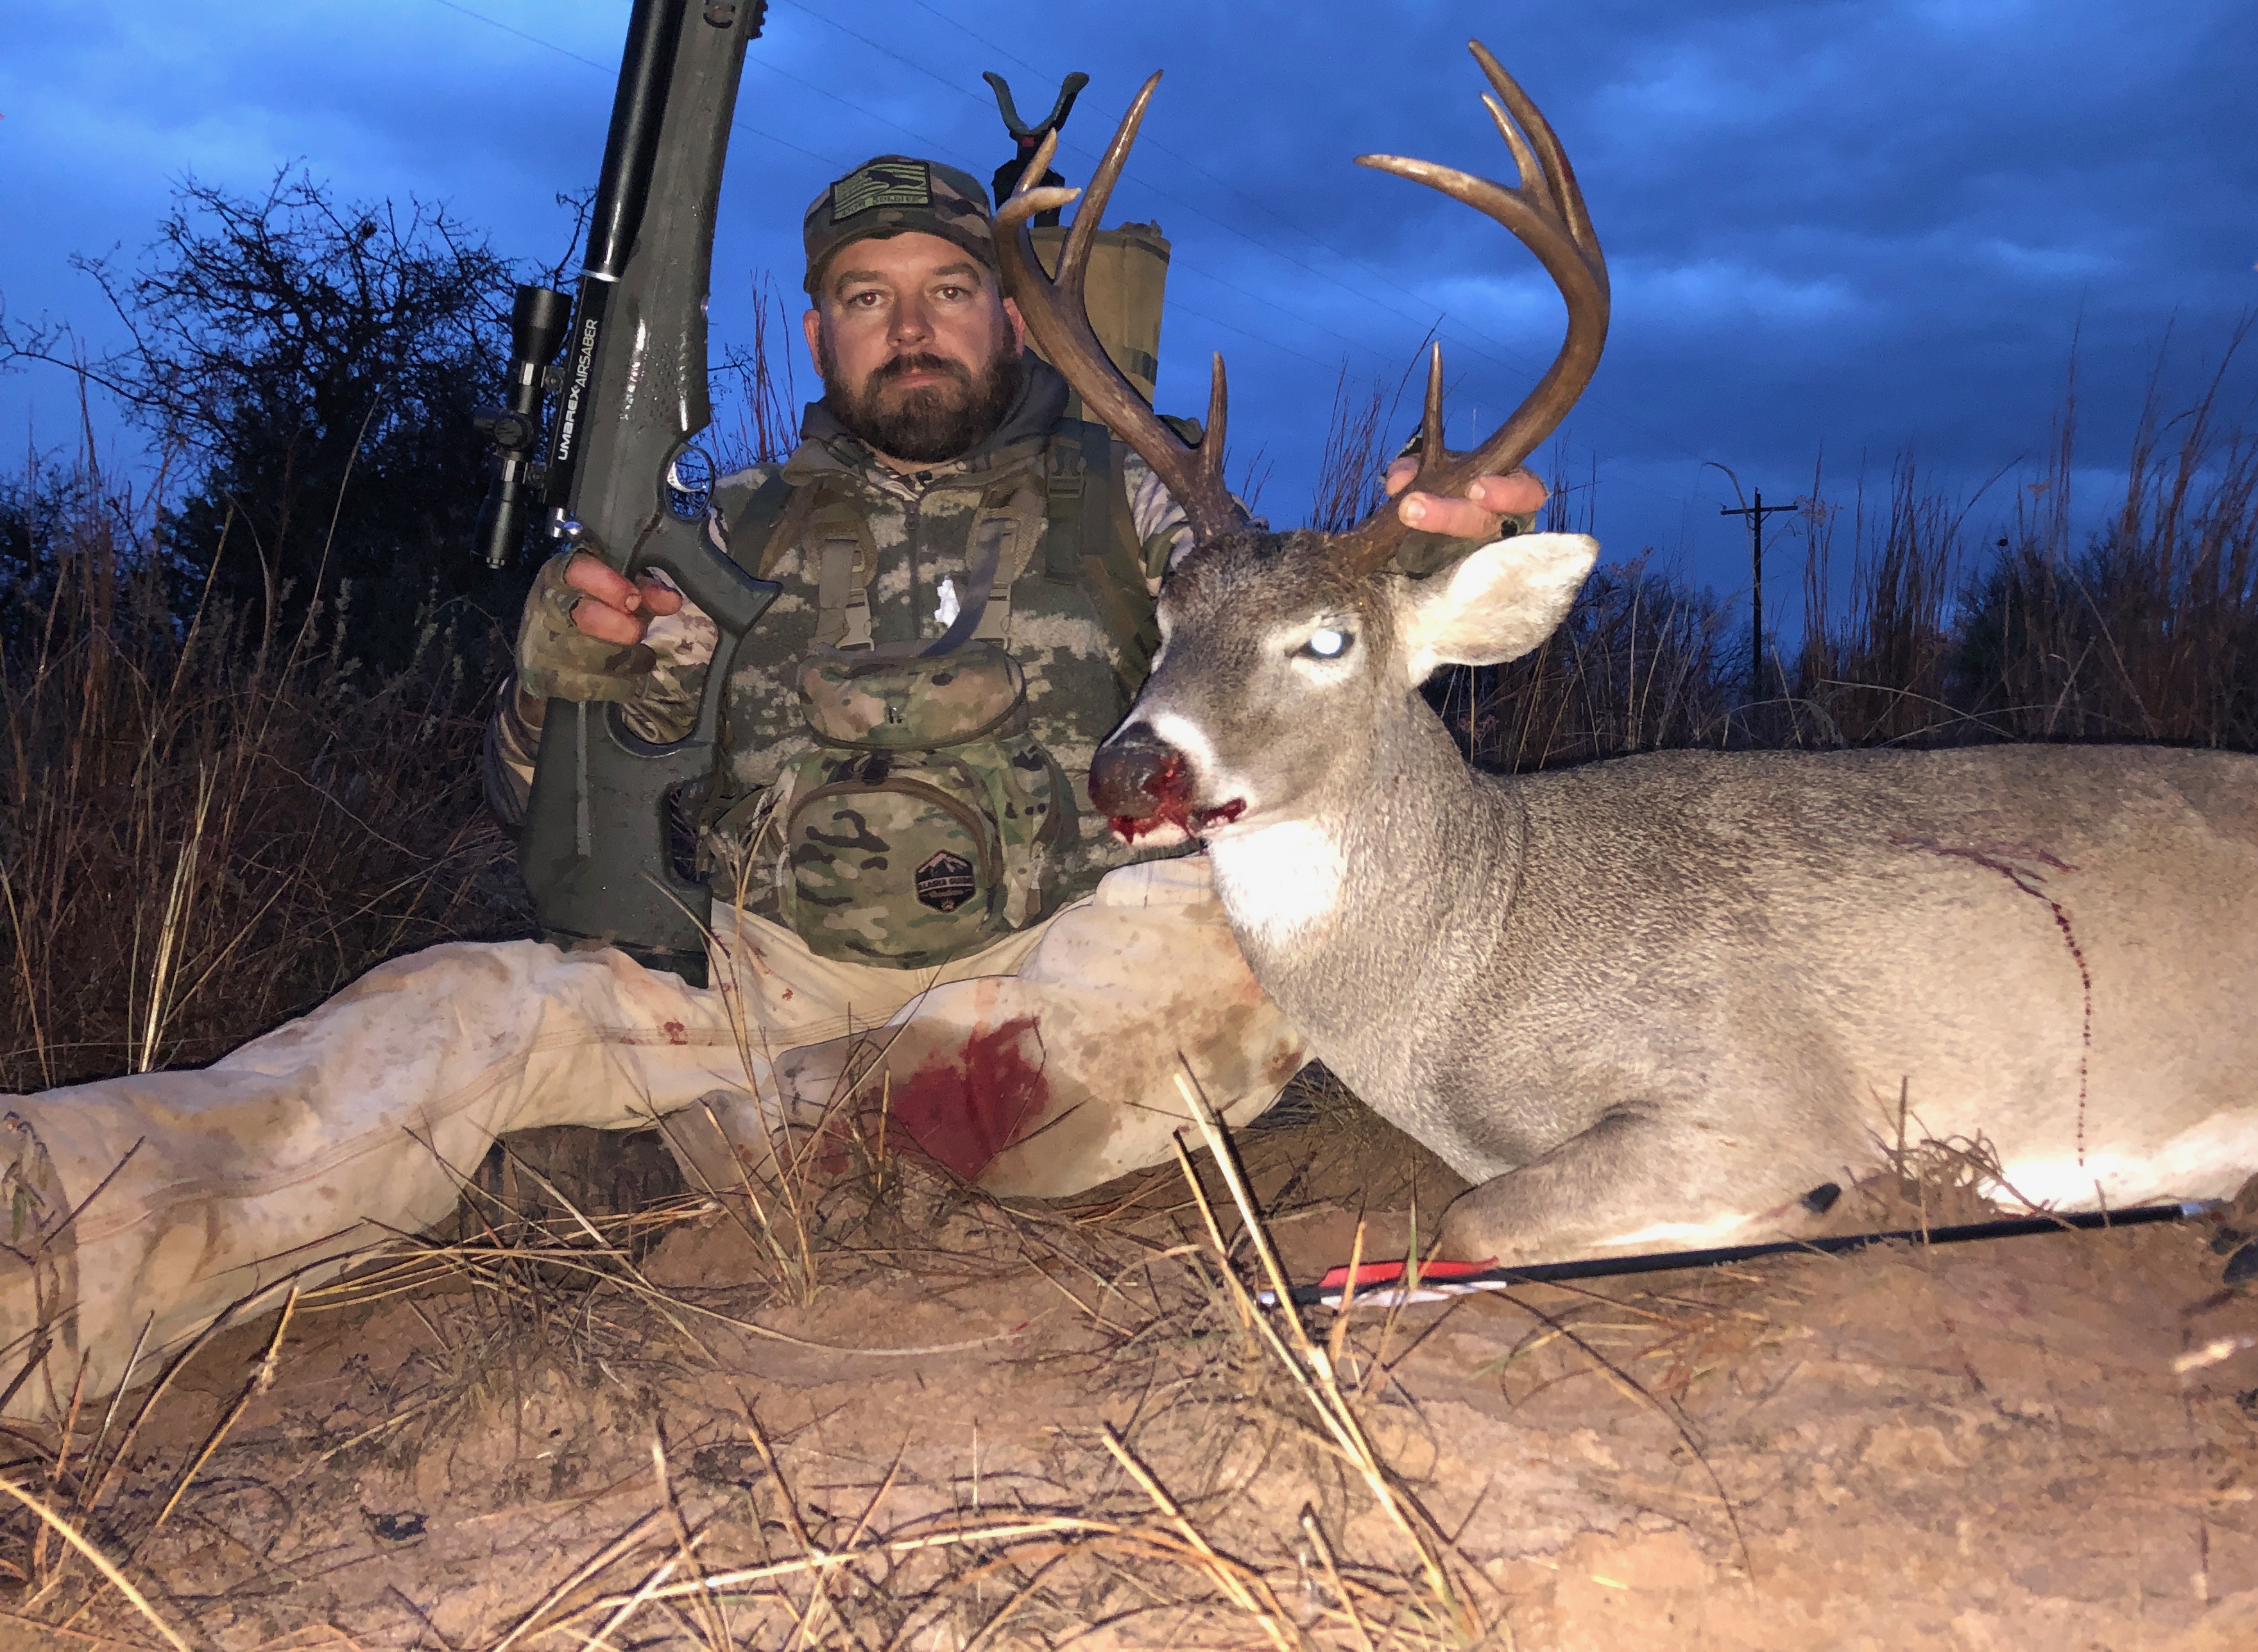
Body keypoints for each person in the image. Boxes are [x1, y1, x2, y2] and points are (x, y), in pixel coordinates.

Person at [0, 155, 1541, 1419]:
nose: (911, 326)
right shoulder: (717, 526)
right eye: (867, 300)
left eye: (948, 293)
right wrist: (553, 686)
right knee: (448, 1010)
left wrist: (1421, 551)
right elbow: (543, 792)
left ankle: (757, 1155)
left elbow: (1290, 639)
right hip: (755, 987)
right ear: (816, 334)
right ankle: (56, 1241)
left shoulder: (1133, 508)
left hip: (1040, 985)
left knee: (1235, 938)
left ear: (1009, 323)